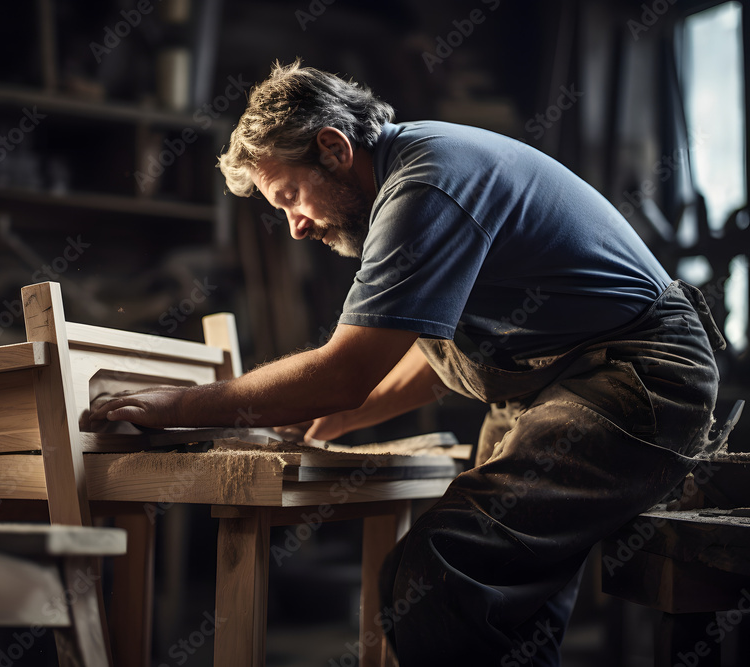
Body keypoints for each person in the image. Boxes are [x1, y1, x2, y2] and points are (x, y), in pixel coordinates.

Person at [90, 60, 733, 665]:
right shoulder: (418, 167)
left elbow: (345, 370)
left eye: (289, 197)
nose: (295, 226)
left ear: (335, 149)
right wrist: (334, 421)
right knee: (509, 603)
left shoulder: (425, 185)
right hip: (551, 382)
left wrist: (182, 404)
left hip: (637, 374)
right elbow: (429, 361)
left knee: (439, 569)